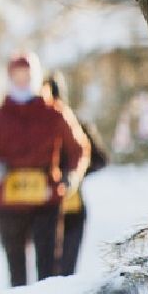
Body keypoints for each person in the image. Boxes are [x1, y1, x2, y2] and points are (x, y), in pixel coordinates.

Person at [0, 51, 88, 287]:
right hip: (10, 203)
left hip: (46, 202)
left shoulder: (55, 113)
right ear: (9, 78)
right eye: (17, 76)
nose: (22, 81)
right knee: (17, 274)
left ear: (36, 77)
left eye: (27, 75)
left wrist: (70, 177)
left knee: (48, 271)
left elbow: (79, 149)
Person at [42, 73, 109, 278]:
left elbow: (99, 159)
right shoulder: (38, 129)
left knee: (61, 272)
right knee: (52, 271)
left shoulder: (77, 124)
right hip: (48, 205)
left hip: (71, 205)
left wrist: (73, 175)